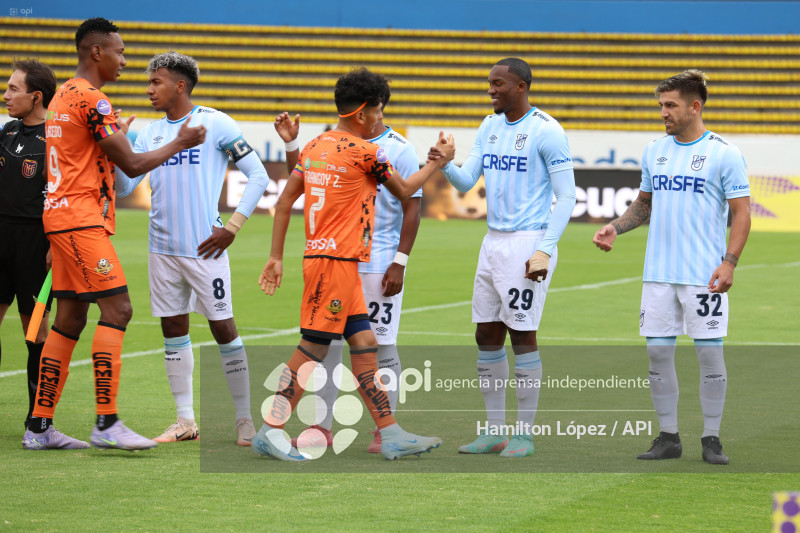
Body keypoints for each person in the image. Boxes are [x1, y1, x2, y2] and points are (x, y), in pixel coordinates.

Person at [23, 17, 206, 451]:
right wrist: (182, 141)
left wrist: (118, 137)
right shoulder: (93, 100)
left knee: (69, 320)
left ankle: (39, 427)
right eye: (120, 52)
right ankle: (107, 422)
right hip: (81, 221)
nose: (125, 61)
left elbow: (83, 158)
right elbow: (134, 166)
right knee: (119, 310)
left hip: (61, 219)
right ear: (96, 52)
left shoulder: (64, 95)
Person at [255, 67, 454, 461]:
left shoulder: (313, 146)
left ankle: (390, 432)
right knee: (310, 350)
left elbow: (283, 202)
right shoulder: (368, 152)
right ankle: (269, 428)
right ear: (363, 112)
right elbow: (406, 190)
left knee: (364, 344)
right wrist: (438, 162)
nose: (381, 119)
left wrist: (276, 255)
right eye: (379, 112)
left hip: (332, 261)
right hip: (336, 264)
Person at [593, 69, 751, 465]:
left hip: (704, 275)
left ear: (694, 107)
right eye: (661, 105)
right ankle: (668, 437)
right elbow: (644, 203)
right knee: (658, 355)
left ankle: (711, 438)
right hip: (658, 274)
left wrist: (729, 262)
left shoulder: (724, 153)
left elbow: (741, 212)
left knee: (709, 356)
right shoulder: (655, 150)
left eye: (670, 105)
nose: (663, 112)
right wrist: (616, 226)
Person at [117, 51, 269, 446]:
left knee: (224, 329)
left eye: (156, 82)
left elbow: (258, 175)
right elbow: (124, 187)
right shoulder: (148, 132)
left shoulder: (215, 122)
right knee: (173, 329)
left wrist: (232, 227)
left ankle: (243, 420)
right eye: (149, 82)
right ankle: (185, 420)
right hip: (161, 249)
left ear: (179, 85)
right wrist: (117, 145)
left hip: (205, 249)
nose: (149, 89)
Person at [432, 58, 576, 458]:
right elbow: (465, 182)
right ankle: (494, 431)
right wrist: (445, 164)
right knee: (486, 334)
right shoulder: (489, 125)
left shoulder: (547, 131)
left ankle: (523, 435)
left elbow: (567, 196)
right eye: (489, 84)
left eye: (498, 84)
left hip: (527, 243)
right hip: (492, 241)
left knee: (522, 335)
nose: (491, 90)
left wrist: (544, 249)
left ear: (522, 86)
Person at [0, 59, 56, 430]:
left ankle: (38, 417)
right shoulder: (5, 132)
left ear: (36, 97)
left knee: (34, 329)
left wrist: (56, 243)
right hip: (0, 238)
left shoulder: (57, 138)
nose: (6, 96)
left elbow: (62, 194)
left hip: (36, 243)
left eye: (13, 89)